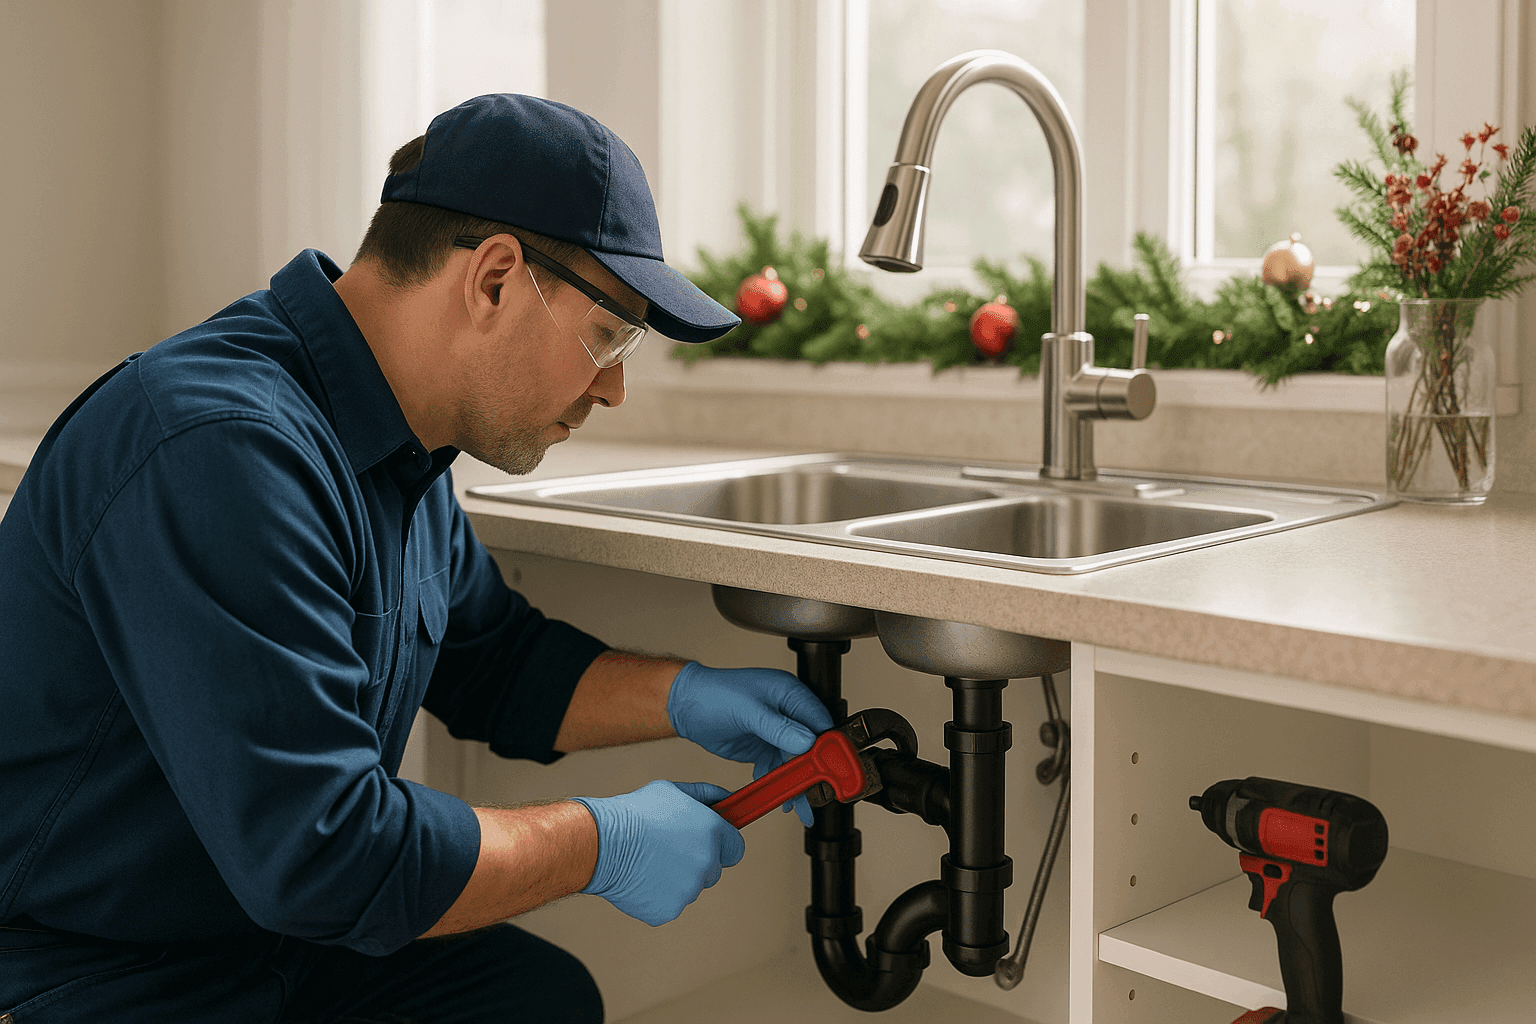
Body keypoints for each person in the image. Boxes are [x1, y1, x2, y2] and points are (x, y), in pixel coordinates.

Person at [0, 93, 833, 1023]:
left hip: (270, 941)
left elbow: (497, 665)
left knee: (537, 998)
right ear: (494, 280)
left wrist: (687, 695)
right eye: (608, 336)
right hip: (91, 977)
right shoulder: (218, 449)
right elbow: (322, 854)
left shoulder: (401, 446)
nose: (615, 388)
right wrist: (602, 842)